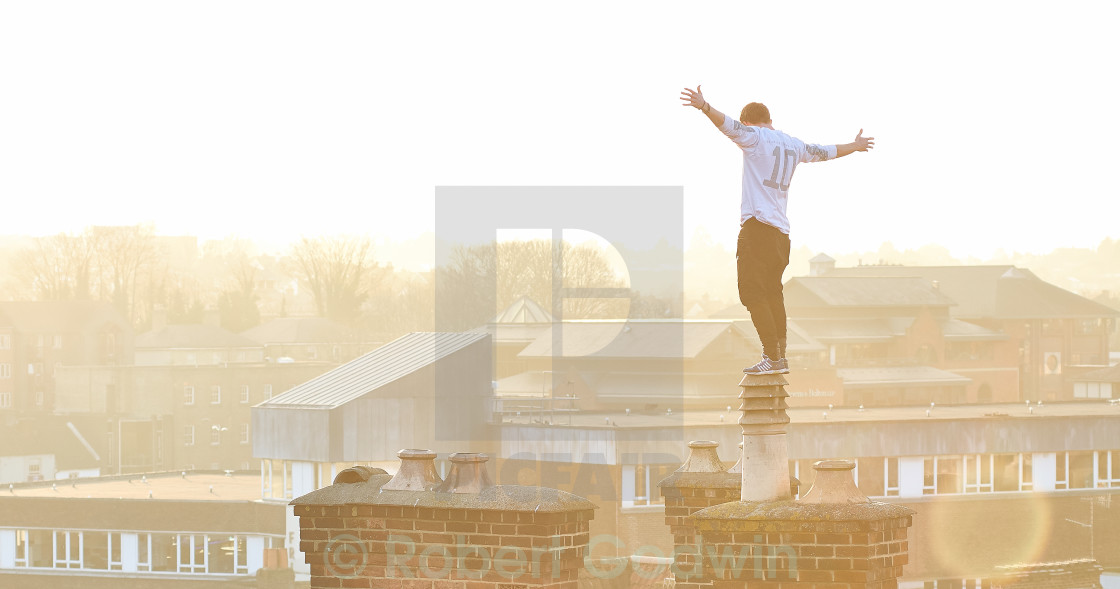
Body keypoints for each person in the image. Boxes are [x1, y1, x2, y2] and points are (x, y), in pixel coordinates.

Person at [680, 85, 874, 375]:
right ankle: (779, 357)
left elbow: (728, 125)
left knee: (750, 293)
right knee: (772, 293)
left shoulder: (754, 137)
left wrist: (704, 106)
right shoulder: (793, 144)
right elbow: (826, 152)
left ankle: (771, 356)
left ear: (750, 122)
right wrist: (855, 146)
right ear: (769, 119)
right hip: (781, 236)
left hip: (757, 229)